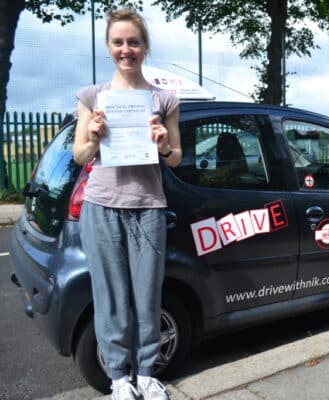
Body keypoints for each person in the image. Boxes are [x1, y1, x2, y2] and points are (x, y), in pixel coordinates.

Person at [72, 8, 181, 400]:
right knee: (110, 295)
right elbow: (81, 156)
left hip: (148, 207)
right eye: (118, 42)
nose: (126, 49)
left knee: (148, 295)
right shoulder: (92, 97)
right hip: (101, 207)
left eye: (133, 42)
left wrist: (163, 144)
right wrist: (95, 136)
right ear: (108, 46)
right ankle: (119, 377)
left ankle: (148, 374)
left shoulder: (164, 98)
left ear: (144, 47)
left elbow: (176, 157)